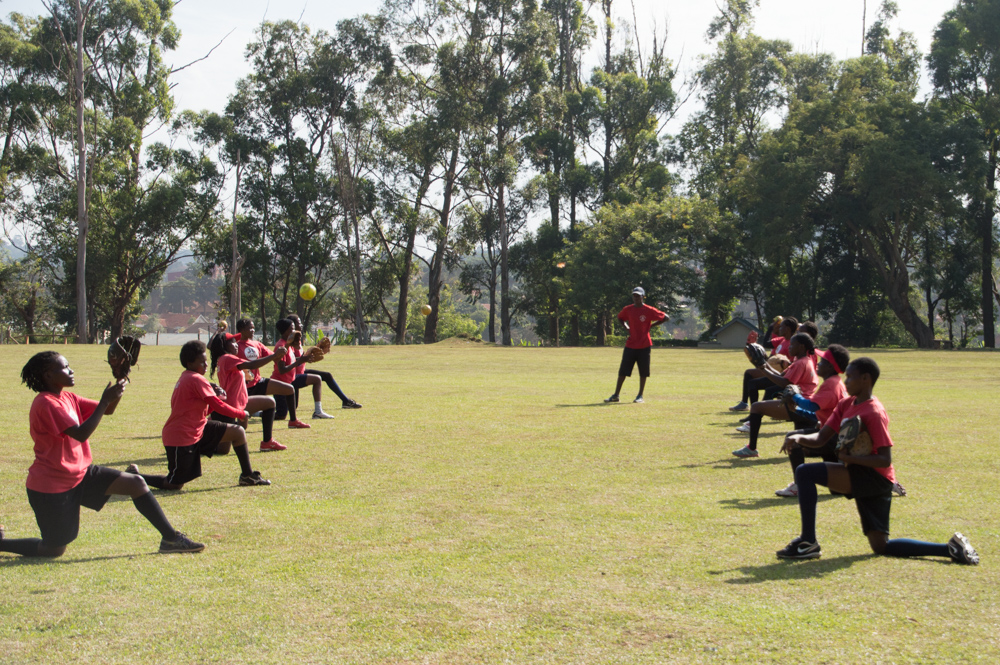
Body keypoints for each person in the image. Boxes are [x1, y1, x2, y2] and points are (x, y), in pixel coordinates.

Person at [775, 357, 979, 564]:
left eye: (850, 378)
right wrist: (798, 437)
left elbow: (884, 459)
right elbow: (820, 438)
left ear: (866, 379)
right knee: (881, 546)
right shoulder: (846, 403)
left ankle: (808, 542)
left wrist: (848, 458)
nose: (846, 382)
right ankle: (951, 549)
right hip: (860, 472)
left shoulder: (874, 412)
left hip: (875, 478)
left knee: (804, 472)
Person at [1, 352, 203, 557]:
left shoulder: (67, 397)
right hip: (51, 485)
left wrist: (119, 384)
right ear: (48, 376)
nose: (71, 371)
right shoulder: (46, 403)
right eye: (65, 367)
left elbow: (107, 410)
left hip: (79, 474)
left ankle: (171, 539)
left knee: (136, 483)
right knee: (54, 549)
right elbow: (81, 433)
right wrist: (105, 401)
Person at [128, 341, 272, 490]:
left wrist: (216, 396)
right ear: (189, 363)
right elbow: (218, 406)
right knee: (174, 484)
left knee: (237, 432)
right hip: (181, 436)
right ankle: (134, 477)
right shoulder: (195, 379)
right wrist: (241, 413)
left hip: (197, 428)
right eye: (201, 362)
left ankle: (247, 476)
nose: (205, 364)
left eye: (206, 361)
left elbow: (204, 409)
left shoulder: (188, 377)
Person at [773, 344, 850, 496]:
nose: (818, 363)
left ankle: (799, 485)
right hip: (832, 434)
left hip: (832, 436)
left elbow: (812, 405)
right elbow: (818, 413)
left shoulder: (831, 384)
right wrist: (797, 409)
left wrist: (795, 395)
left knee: (794, 440)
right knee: (836, 489)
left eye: (822, 361)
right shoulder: (834, 381)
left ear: (830, 366)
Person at [732, 333, 819, 458]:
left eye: (792, 344)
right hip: (803, 404)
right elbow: (781, 376)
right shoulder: (804, 360)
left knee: (756, 407)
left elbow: (784, 383)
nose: (789, 347)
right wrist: (763, 365)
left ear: (801, 346)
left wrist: (762, 368)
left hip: (797, 404)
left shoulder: (800, 363)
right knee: (803, 446)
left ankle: (751, 448)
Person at [207, 330, 289, 451]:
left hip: (240, 404)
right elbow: (252, 365)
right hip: (230, 406)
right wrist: (273, 356)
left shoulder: (226, 359)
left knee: (269, 403)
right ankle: (203, 436)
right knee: (223, 450)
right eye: (233, 342)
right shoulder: (227, 358)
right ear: (224, 346)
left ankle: (267, 442)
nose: (236, 345)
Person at [287, 313, 362, 415]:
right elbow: (290, 359)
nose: (300, 325)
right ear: (292, 326)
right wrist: (303, 358)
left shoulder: (298, 340)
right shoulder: (290, 341)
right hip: (292, 375)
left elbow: (302, 356)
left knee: (327, 376)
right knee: (290, 408)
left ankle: (346, 401)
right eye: (298, 323)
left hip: (300, 372)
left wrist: (317, 349)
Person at [604, 287, 668, 404]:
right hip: (631, 344)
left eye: (638, 296)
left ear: (643, 296)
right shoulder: (628, 309)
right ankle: (616, 395)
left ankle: (640, 396)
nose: (636, 298)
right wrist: (626, 327)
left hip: (644, 345)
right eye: (634, 295)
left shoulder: (649, 310)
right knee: (623, 371)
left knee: (643, 371)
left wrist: (652, 326)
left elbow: (666, 317)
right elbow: (620, 318)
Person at [730, 317, 798, 412]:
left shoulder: (793, 343)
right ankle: (749, 406)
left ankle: (750, 407)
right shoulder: (782, 340)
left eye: (781, 327)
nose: (779, 328)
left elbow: (790, 363)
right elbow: (766, 344)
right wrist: (770, 328)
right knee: (750, 376)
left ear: (788, 329)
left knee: (750, 376)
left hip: (780, 374)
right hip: (772, 370)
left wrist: (782, 363)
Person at [235, 318, 297, 412]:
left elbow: (276, 358)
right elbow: (250, 365)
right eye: (250, 328)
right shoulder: (235, 346)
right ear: (241, 329)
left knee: (289, 389)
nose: (253, 330)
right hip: (243, 386)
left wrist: (287, 345)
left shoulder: (257, 344)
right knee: (246, 412)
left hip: (258, 381)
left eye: (253, 328)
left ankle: (293, 421)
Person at [269, 319, 314, 428]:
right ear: (285, 331)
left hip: (288, 382)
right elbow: (282, 369)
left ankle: (293, 421)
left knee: (291, 405)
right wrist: (299, 362)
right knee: (280, 415)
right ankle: (258, 412)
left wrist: (304, 358)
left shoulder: (288, 345)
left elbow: (291, 361)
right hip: (279, 383)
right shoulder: (281, 346)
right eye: (291, 329)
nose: (294, 331)